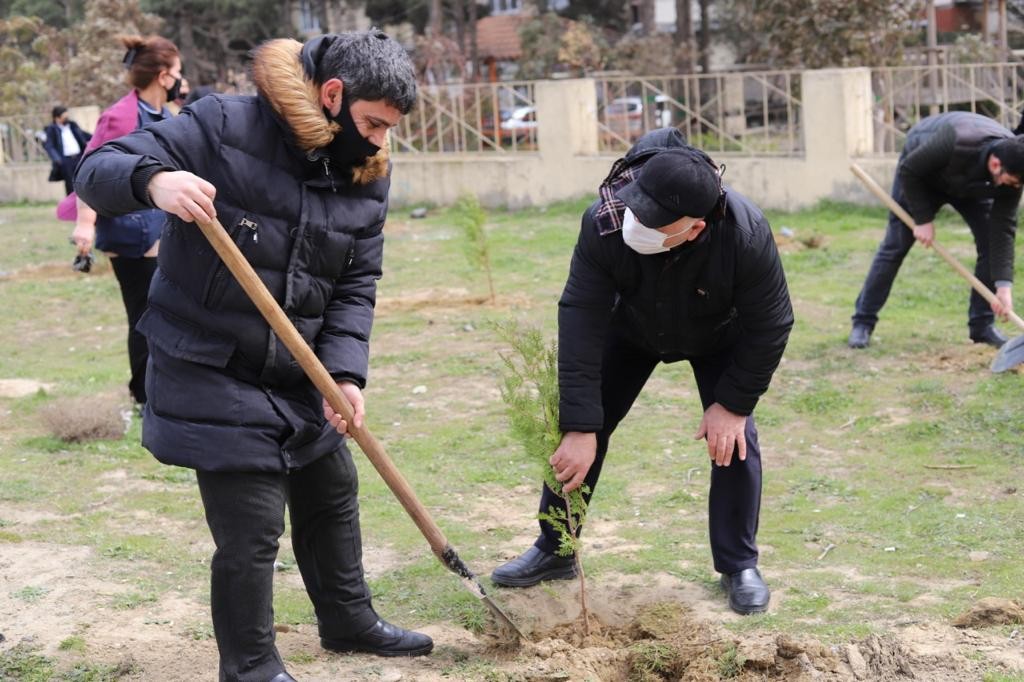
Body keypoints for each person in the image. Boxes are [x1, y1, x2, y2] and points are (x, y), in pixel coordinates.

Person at [75, 30, 429, 681]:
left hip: (297, 367)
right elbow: (97, 168)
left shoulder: (363, 175)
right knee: (253, 518)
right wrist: (153, 180)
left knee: (332, 487)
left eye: (389, 129)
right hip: (206, 359)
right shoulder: (221, 124)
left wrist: (345, 373)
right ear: (332, 94)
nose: (381, 141)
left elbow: (355, 283)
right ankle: (252, 665)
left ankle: (348, 622)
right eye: (374, 123)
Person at [490, 129, 794, 616]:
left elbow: (772, 322)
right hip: (628, 326)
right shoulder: (607, 221)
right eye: (639, 208)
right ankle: (556, 549)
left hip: (717, 330)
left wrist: (733, 403)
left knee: (733, 439)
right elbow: (581, 315)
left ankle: (739, 564)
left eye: (655, 221)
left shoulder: (744, 234)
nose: (636, 222)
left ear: (694, 227)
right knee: (580, 430)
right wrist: (580, 423)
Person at [67, 35, 184, 406]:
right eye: (179, 72)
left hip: (158, 227)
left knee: (164, 310)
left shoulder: (165, 115)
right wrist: (84, 224)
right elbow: (91, 171)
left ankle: (158, 387)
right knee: (143, 312)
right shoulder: (119, 116)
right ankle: (143, 393)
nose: (183, 79)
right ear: (164, 75)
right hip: (127, 231)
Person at [848, 111, 1024, 350]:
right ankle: (863, 322)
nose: (1014, 188)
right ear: (995, 164)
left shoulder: (1013, 168)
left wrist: (1003, 286)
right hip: (922, 178)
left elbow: (1003, 229)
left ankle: (982, 327)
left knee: (990, 247)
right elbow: (910, 170)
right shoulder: (955, 139)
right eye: (1013, 182)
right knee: (895, 246)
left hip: (970, 184)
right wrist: (923, 219)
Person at [43, 106, 92, 195]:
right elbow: (49, 146)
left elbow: (83, 134)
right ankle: (72, 206)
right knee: (71, 186)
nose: (66, 119)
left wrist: (97, 137)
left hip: (79, 157)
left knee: (83, 182)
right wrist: (58, 160)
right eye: (64, 117)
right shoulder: (52, 129)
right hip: (66, 161)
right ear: (57, 118)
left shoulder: (72, 125)